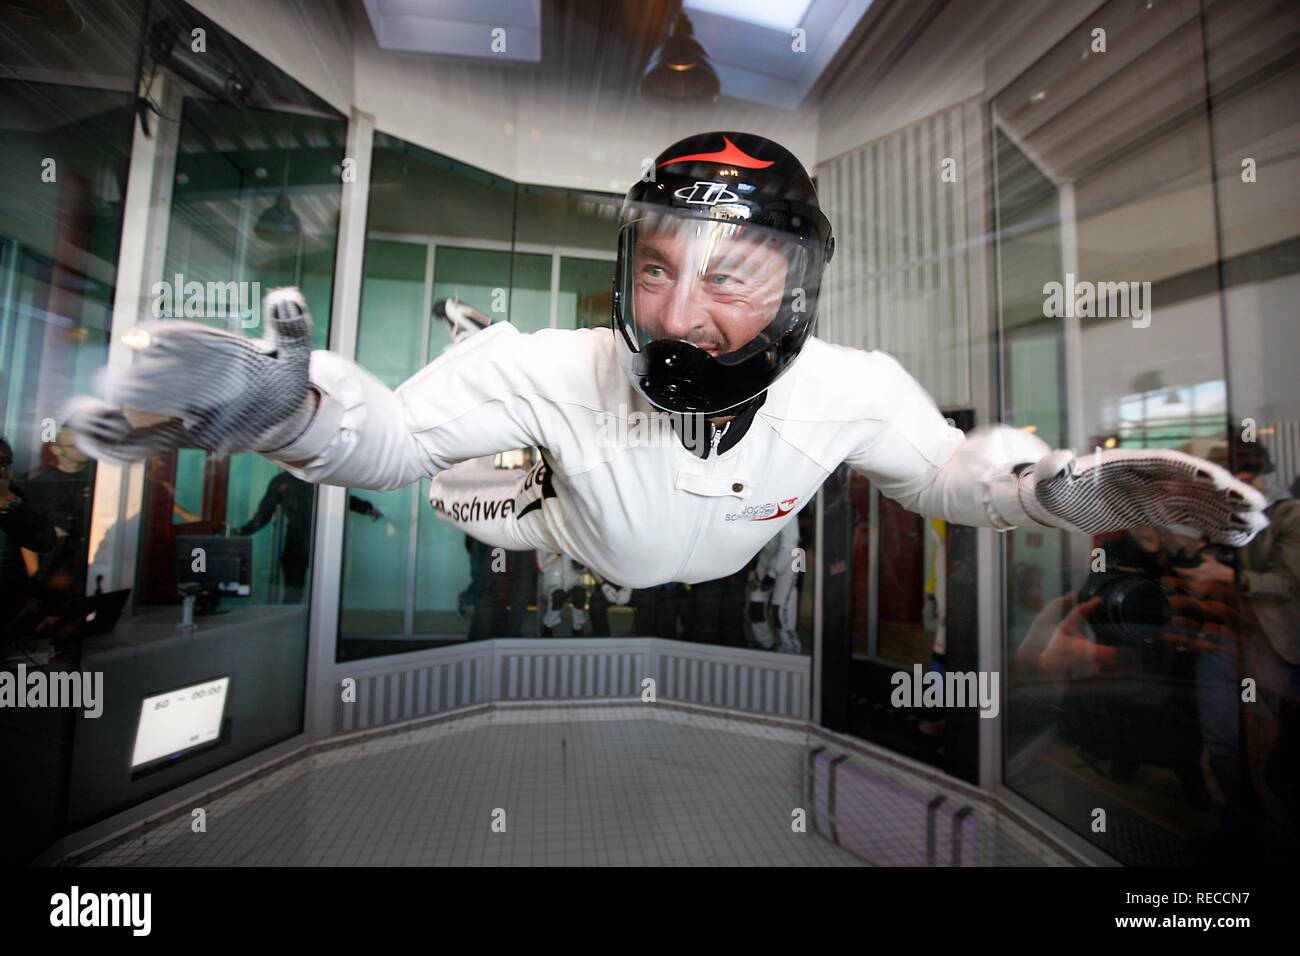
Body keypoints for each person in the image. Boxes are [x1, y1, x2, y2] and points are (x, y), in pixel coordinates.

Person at [63, 132, 1268, 604]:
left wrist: (1064, 488)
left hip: (713, 538)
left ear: (797, 288)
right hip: (575, 527)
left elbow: (950, 473)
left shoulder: (850, 385)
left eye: (729, 275)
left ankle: (505, 432)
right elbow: (382, 446)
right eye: (653, 267)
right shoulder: (561, 362)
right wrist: (294, 407)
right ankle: (497, 420)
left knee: (528, 483)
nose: (676, 311)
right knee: (469, 494)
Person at [232, 470, 384, 603]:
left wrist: (242, 531)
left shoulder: (285, 480)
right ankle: (303, 625)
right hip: (314, 539)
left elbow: (263, 515)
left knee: (297, 591)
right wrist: (367, 509)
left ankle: (300, 625)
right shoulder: (307, 479)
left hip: (311, 539)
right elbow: (264, 514)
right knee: (307, 590)